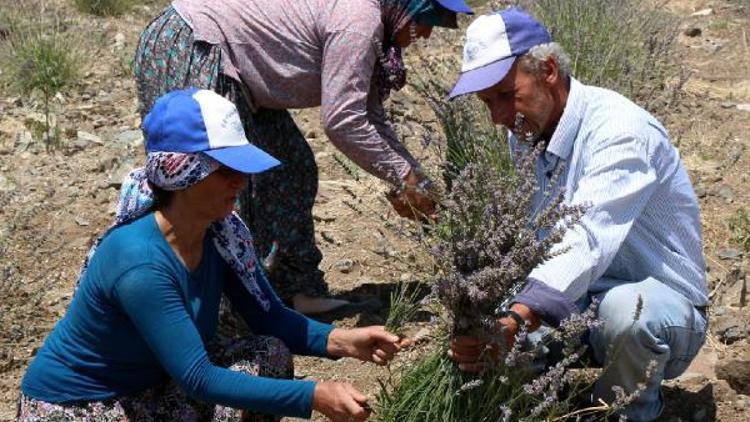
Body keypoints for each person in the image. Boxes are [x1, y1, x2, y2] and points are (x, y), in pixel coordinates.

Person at [18, 89, 409, 422]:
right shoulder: (139, 262)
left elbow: (269, 318)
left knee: (265, 353)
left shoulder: (220, 236)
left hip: (147, 387)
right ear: (181, 174)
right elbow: (198, 378)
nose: (241, 181)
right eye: (225, 170)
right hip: (79, 406)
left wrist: (343, 340)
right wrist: (313, 395)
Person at [445, 8, 709, 421]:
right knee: (486, 330)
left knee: (629, 310)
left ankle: (625, 411)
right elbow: (542, 240)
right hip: (579, 304)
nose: (497, 117)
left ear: (548, 69)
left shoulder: (620, 131)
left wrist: (518, 316)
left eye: (504, 95)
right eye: (486, 103)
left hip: (661, 310)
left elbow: (585, 236)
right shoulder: (531, 130)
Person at [132, 0, 473, 315]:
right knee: (208, 185)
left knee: (291, 169)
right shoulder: (359, 21)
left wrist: (414, 178)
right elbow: (343, 121)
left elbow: (368, 114)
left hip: (245, 77)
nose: (427, 33)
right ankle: (205, 310)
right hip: (197, 43)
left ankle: (292, 290)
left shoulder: (371, 21)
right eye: (427, 19)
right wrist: (404, 177)